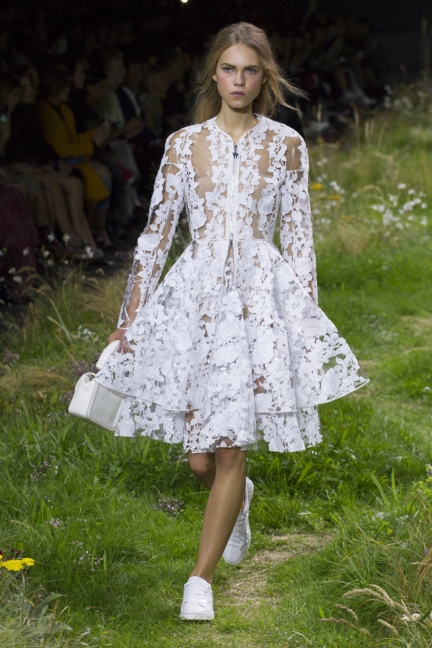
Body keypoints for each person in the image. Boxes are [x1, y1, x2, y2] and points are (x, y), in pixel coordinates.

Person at [96, 22, 368, 620]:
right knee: (201, 459)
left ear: (263, 76)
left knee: (227, 451)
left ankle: (200, 581)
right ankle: (238, 499)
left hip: (257, 303)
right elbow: (154, 238)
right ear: (213, 74)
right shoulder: (181, 144)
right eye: (228, 69)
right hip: (194, 302)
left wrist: (302, 321)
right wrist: (130, 319)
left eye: (249, 70)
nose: (238, 81)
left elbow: (299, 241)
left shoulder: (287, 145)